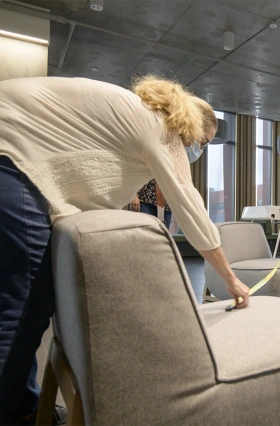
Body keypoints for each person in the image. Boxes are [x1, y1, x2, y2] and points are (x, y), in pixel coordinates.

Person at [0, 75, 249, 425]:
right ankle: (11, 413)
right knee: (21, 309)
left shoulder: (135, 114)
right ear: (192, 125)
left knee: (35, 299)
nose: (198, 151)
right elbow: (191, 208)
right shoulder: (162, 128)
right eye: (203, 143)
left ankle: (23, 406)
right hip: (12, 159)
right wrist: (231, 279)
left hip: (15, 155)